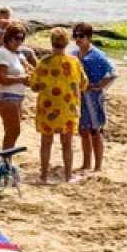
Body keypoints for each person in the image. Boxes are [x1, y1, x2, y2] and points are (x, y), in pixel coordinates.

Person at [30, 27, 85, 184]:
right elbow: (83, 83)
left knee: (46, 142)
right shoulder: (74, 62)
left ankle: (44, 176)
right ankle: (68, 176)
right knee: (67, 143)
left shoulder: (44, 63)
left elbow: (34, 86)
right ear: (67, 43)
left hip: (47, 106)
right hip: (68, 107)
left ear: (52, 42)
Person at [73, 23, 118, 174]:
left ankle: (97, 165)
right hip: (80, 97)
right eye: (76, 36)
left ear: (89, 37)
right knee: (83, 130)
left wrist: (99, 86)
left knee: (96, 130)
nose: (78, 39)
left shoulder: (97, 55)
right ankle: (86, 163)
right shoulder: (74, 55)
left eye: (81, 36)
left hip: (94, 98)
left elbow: (113, 73)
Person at [0, 24, 30, 151]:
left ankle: (6, 159)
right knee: (13, 131)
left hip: (17, 96)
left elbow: (27, 70)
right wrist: (21, 79)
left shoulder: (16, 54)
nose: (18, 42)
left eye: (21, 39)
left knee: (13, 131)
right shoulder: (3, 52)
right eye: (16, 38)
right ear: (8, 37)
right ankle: (6, 160)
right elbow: (1, 78)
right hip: (7, 96)